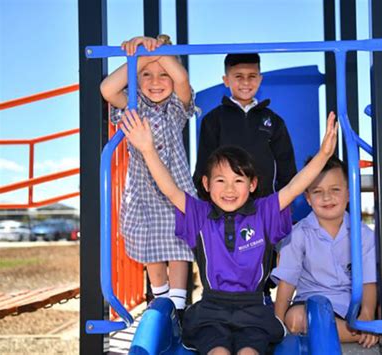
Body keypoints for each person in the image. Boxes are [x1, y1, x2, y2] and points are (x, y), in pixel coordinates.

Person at [119, 109, 338, 355]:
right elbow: (170, 189)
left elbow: (295, 187)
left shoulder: (263, 212)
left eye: (239, 181)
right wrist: (148, 150)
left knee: (248, 353)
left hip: (253, 310)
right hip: (212, 311)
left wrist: (324, 154)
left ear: (253, 185)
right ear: (206, 184)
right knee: (218, 352)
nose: (229, 189)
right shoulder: (200, 215)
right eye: (221, 181)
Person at [272, 156, 382, 351]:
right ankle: (378, 334)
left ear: (348, 194)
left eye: (335, 190)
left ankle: (380, 333)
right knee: (295, 319)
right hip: (317, 304)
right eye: (317, 192)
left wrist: (367, 313)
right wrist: (277, 325)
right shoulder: (297, 234)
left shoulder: (363, 234)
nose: (326, 197)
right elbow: (287, 282)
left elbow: (369, 281)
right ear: (308, 198)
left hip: (354, 303)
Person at [100, 35, 196, 315]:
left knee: (179, 246)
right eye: (146, 74)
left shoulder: (177, 107)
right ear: (136, 78)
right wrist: (140, 54)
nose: (156, 81)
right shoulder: (133, 105)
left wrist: (156, 49)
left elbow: (181, 77)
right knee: (150, 246)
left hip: (175, 187)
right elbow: (107, 89)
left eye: (162, 74)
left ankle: (178, 306)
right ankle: (160, 301)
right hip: (143, 191)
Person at [194, 53, 297, 302]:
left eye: (252, 76)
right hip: (224, 207)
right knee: (226, 254)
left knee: (261, 255)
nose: (245, 82)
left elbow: (286, 165)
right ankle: (219, 299)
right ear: (226, 80)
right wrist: (206, 200)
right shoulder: (213, 120)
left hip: (261, 205)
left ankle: (261, 296)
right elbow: (204, 165)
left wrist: (284, 203)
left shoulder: (273, 121)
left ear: (260, 79)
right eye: (238, 76)